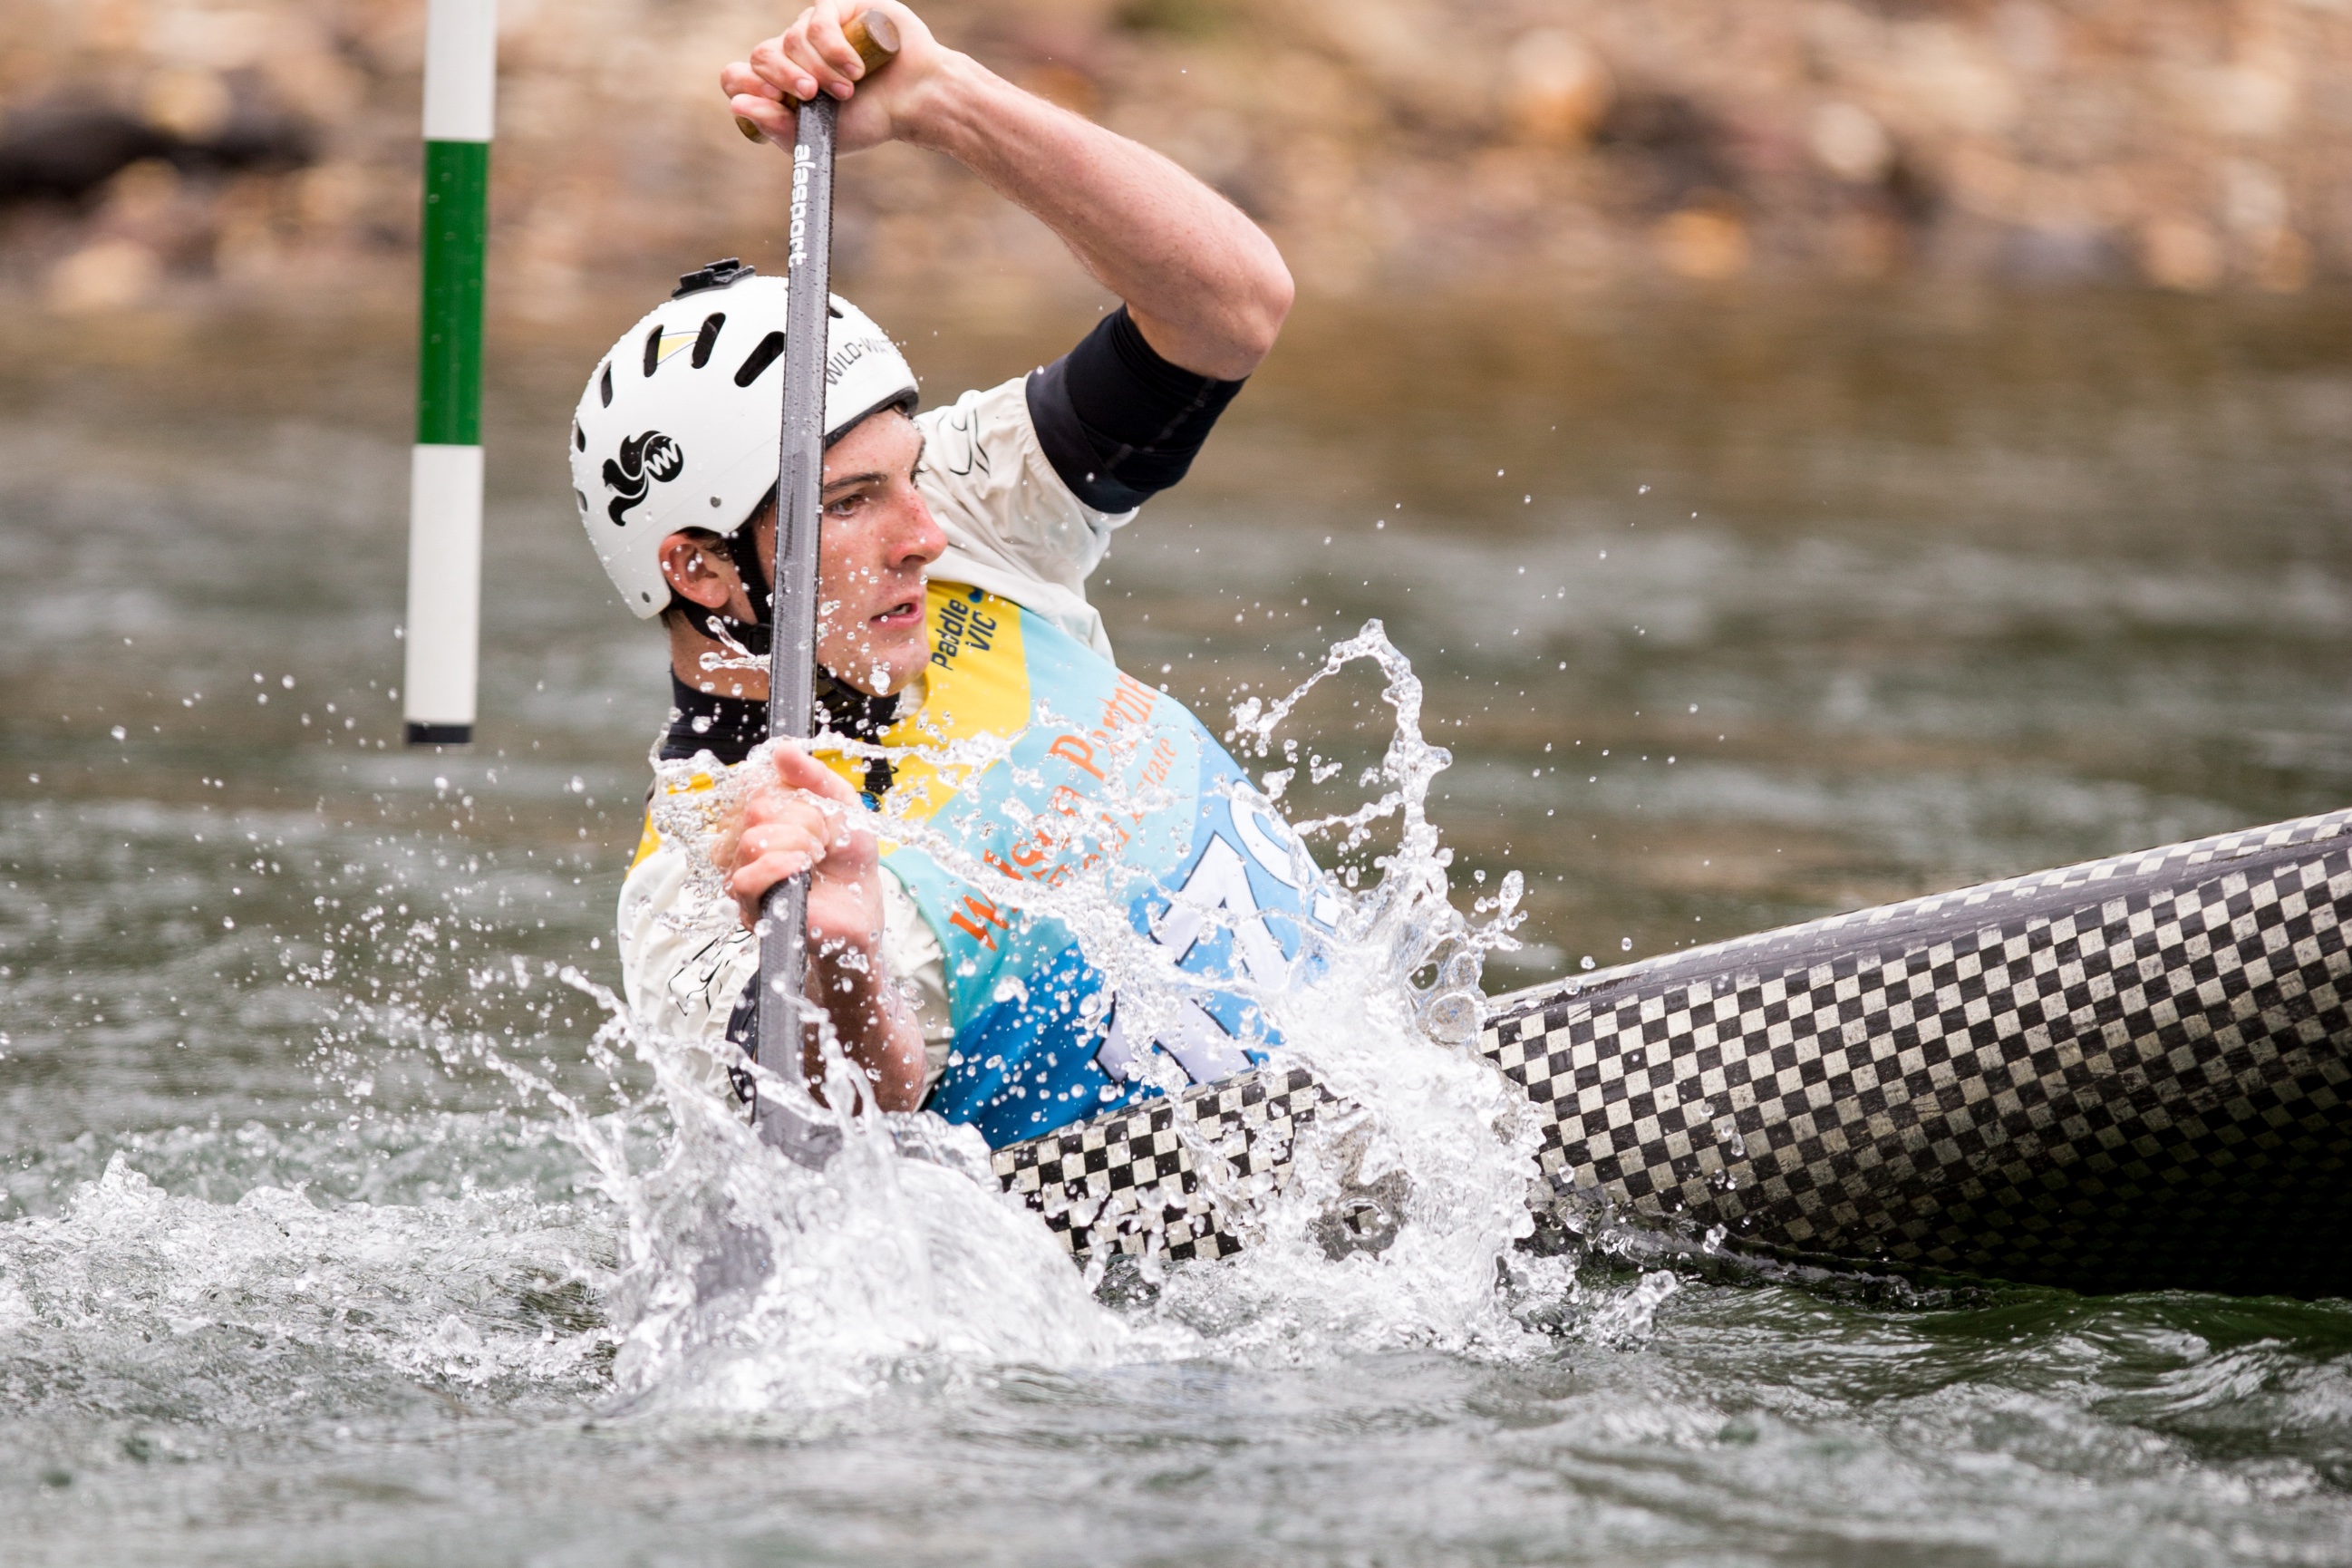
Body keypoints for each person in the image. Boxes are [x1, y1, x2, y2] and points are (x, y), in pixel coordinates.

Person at [576, 0, 1327, 1148]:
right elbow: (843, 1134)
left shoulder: (965, 511)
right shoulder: (698, 881)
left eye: (908, 475)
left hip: (1395, 1109)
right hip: (1180, 1284)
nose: (924, 535)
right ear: (706, 570)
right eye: (849, 503)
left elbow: (1229, 309)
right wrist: (837, 959)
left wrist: (946, 99)